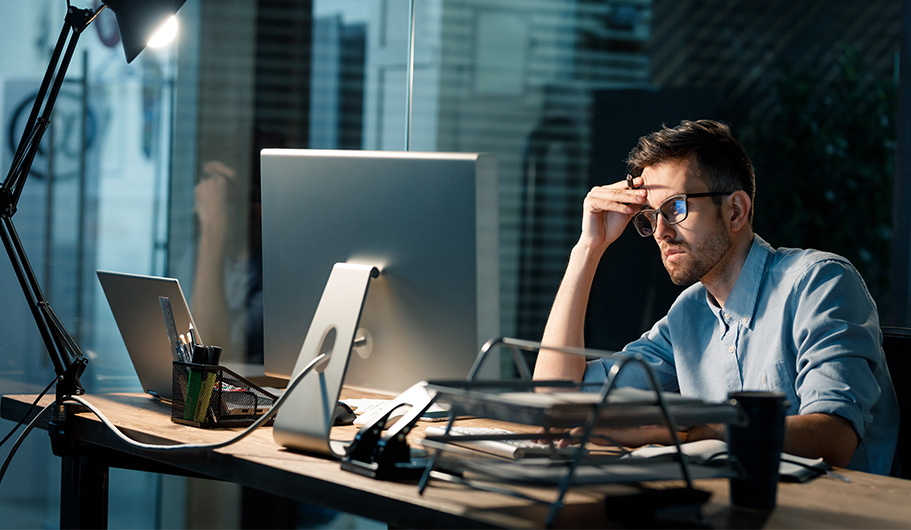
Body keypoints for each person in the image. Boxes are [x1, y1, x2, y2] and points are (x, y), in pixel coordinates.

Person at [532, 119, 898, 475]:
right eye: (650, 216)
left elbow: (833, 438)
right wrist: (588, 248)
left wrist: (689, 432)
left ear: (735, 210)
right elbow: (558, 399)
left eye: (675, 208)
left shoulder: (819, 283)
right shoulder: (688, 314)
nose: (660, 232)